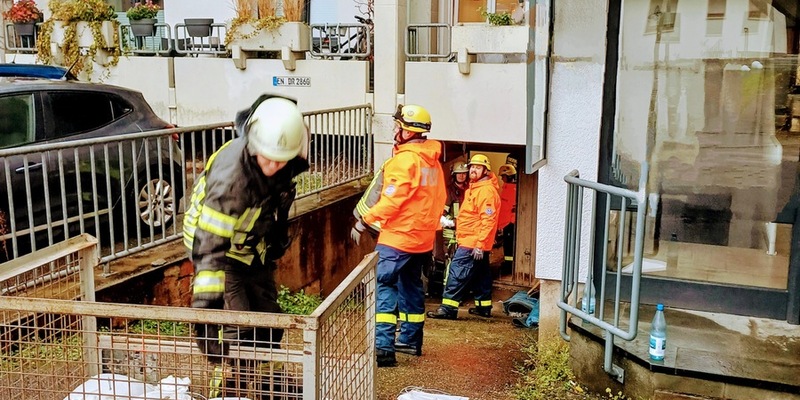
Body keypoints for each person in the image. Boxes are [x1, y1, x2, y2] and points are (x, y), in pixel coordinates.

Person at [183, 94, 309, 396]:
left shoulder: (283, 154)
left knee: (269, 318)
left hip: (249, 249)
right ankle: (227, 389)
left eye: (281, 160)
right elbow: (210, 248)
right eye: (267, 157)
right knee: (238, 325)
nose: (273, 166)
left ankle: (265, 382)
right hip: (216, 249)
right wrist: (206, 312)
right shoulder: (232, 180)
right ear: (253, 144)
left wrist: (275, 237)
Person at [350, 104, 446, 367]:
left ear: (407, 131)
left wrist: (364, 221)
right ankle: (411, 341)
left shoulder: (405, 160)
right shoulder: (433, 162)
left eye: (397, 126)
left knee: (384, 286)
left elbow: (392, 200)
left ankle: (383, 348)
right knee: (412, 286)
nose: (394, 130)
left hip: (397, 238)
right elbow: (440, 199)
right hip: (422, 240)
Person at [427, 153, 501, 320]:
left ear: (486, 171)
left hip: (472, 242)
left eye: (478, 167)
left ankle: (448, 308)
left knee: (457, 272)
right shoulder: (476, 188)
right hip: (474, 241)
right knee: (481, 275)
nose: (473, 170)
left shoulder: (485, 191)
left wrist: (480, 244)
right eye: (472, 167)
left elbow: (488, 220)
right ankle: (483, 307)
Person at [497, 163, 517, 275]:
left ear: (508, 176)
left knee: (509, 246)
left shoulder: (513, 189)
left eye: (503, 176)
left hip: (510, 223)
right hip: (506, 223)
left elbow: (512, 209)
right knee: (507, 246)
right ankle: (508, 264)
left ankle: (509, 266)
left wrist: (510, 223)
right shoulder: (506, 188)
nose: (501, 178)